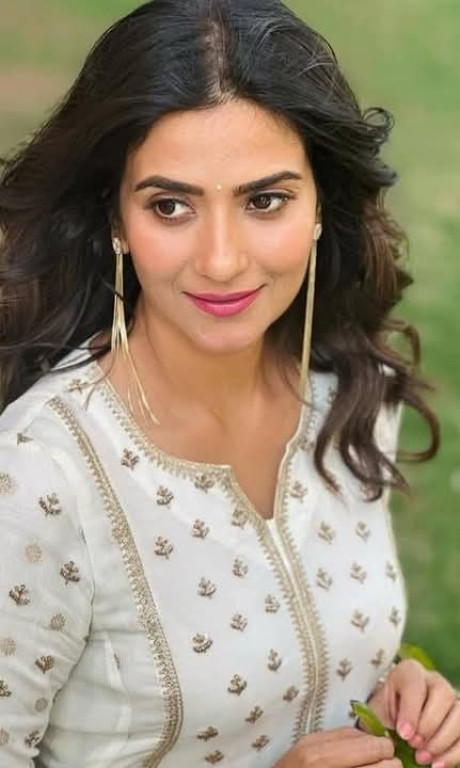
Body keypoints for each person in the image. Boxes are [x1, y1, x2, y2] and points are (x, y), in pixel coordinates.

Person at [0, 0, 457, 766]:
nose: (221, 260)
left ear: (320, 204)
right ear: (115, 219)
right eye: (171, 205)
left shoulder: (348, 393)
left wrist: (395, 692)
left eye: (264, 200)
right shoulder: (39, 479)